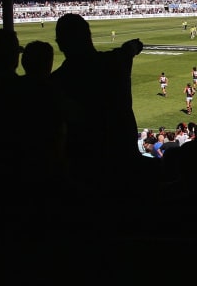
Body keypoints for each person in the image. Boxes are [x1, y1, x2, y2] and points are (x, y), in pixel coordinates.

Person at [49, 13, 147, 202]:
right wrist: (135, 46)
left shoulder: (56, 81)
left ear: (60, 44)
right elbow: (130, 49)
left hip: (82, 167)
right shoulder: (115, 61)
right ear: (89, 37)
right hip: (122, 158)